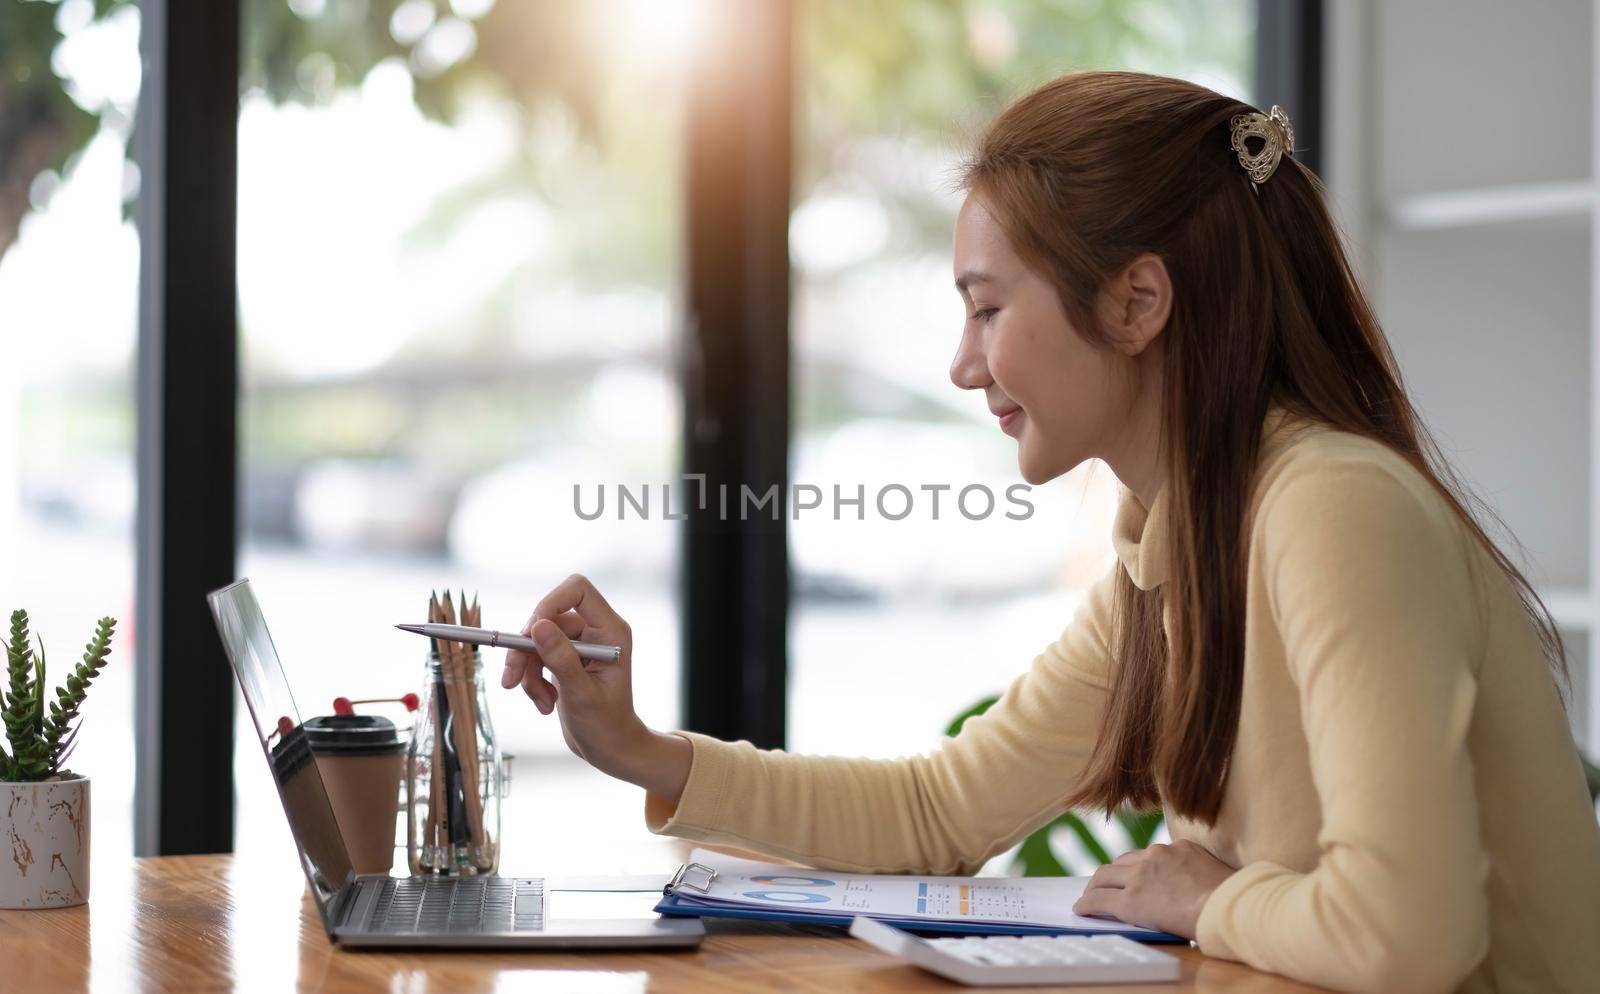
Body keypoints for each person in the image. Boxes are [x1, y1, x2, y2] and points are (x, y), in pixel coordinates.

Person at [499, 71, 1600, 993]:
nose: (962, 363)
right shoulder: (1179, 545)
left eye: (986, 308)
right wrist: (637, 746)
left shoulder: (1330, 505)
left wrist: (1215, 897)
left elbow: (1407, 935)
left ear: (1136, 304)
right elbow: (940, 809)